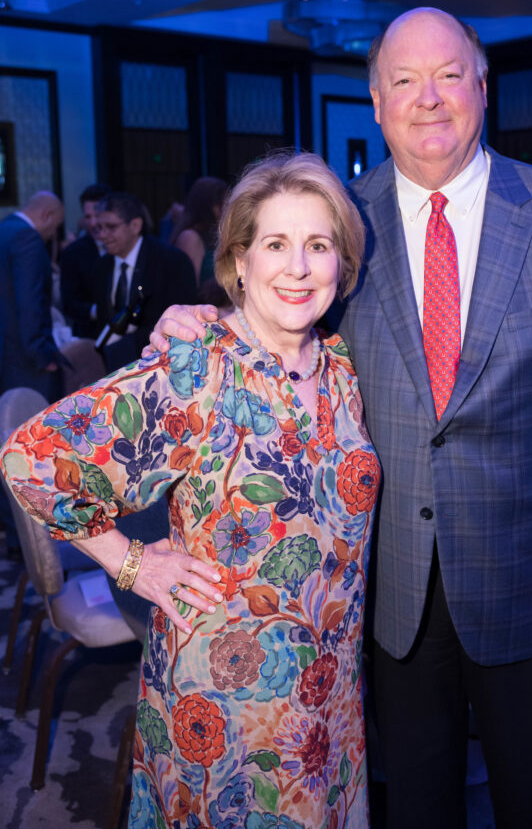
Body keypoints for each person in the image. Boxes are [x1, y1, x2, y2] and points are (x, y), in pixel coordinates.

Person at [150, 8, 532, 829]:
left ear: (481, 89)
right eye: (404, 82)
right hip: (387, 590)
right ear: (375, 104)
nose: (429, 99)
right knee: (413, 804)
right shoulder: (343, 225)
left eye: (449, 75)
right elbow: (280, 316)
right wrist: (199, 321)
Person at [0, 153, 377, 829]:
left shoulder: (341, 366)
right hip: (225, 702)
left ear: (341, 262)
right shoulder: (199, 365)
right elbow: (32, 457)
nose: (297, 266)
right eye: (275, 244)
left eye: (317, 245)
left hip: (328, 697)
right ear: (238, 261)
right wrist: (132, 562)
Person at [93, 191, 197, 372]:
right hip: (112, 370)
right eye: (99, 228)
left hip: (161, 365)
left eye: (110, 227)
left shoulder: (171, 262)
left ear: (135, 225)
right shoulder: (101, 266)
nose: (103, 235)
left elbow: (182, 317)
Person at [0, 190, 65, 402]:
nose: (54, 234)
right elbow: (30, 302)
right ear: (47, 215)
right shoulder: (27, 238)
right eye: (56, 226)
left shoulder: (5, 228)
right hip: (23, 357)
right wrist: (41, 355)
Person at [59, 182, 111, 338]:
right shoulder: (73, 252)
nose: (93, 223)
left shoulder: (128, 246)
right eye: (88, 217)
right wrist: (99, 311)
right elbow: (69, 304)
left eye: (98, 216)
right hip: (90, 337)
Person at [170, 176, 229, 285]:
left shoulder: (217, 234)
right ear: (206, 206)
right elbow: (190, 286)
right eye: (221, 204)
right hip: (204, 301)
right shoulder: (190, 237)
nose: (226, 209)